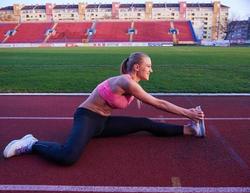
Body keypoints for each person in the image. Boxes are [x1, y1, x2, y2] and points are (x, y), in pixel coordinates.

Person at [3, 52, 205, 166]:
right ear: (137, 67)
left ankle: (190, 129)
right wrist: (189, 112)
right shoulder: (126, 82)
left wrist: (189, 119)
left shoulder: (131, 84)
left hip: (103, 122)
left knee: (144, 123)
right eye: (148, 66)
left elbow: (156, 103)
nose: (151, 70)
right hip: (87, 118)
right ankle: (32, 143)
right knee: (67, 157)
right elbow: (159, 104)